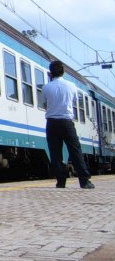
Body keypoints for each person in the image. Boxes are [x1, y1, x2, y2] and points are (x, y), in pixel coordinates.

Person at [42, 60, 95, 189]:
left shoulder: (46, 87)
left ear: (50, 73)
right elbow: (74, 101)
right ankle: (84, 181)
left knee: (55, 153)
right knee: (75, 151)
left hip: (52, 123)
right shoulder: (71, 86)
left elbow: (45, 104)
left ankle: (60, 181)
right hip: (66, 122)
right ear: (63, 72)